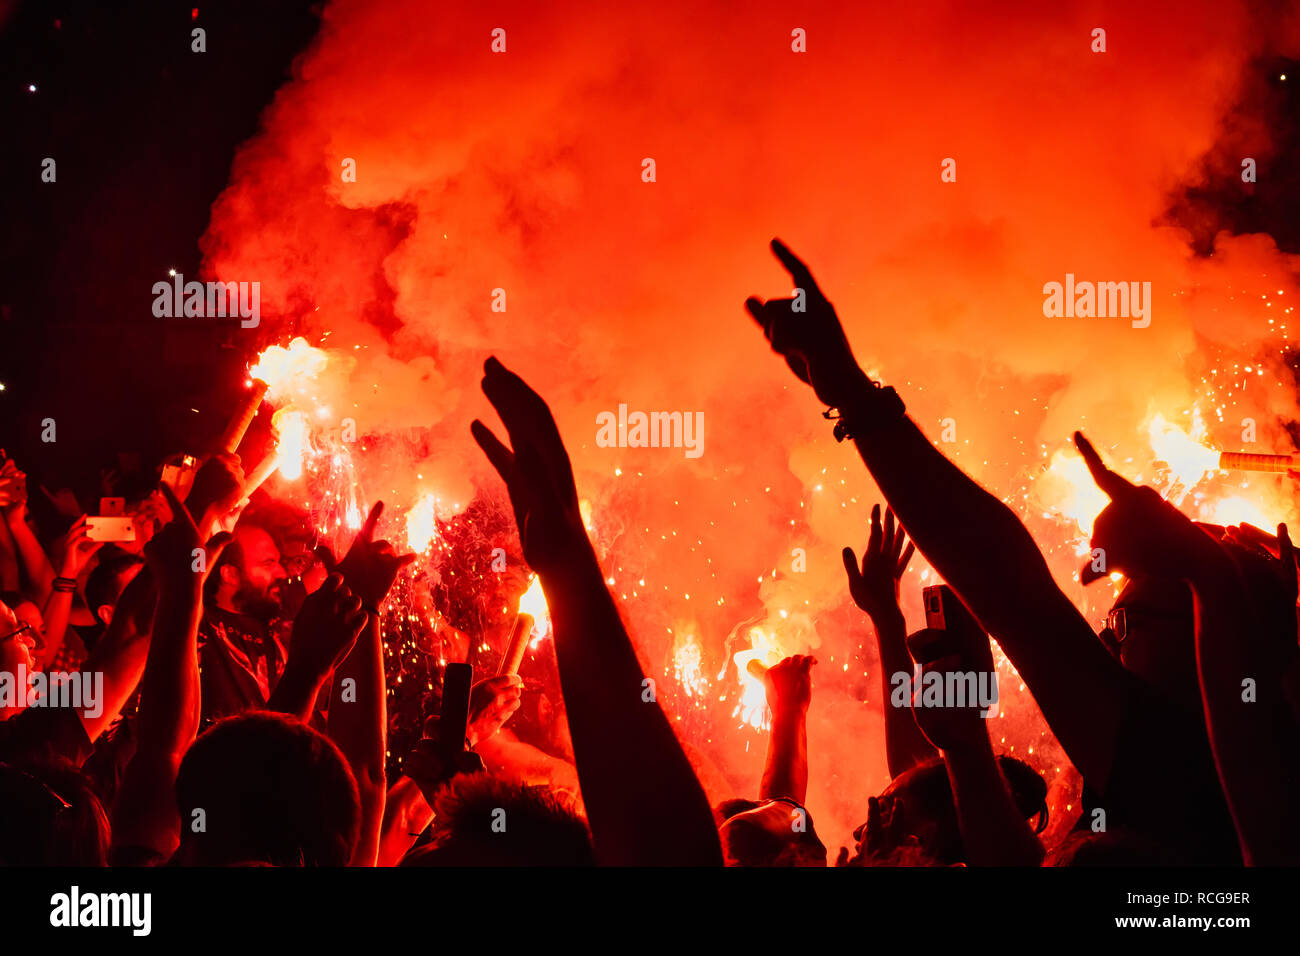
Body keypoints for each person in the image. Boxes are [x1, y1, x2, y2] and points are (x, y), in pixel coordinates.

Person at [198, 521, 290, 723]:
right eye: (268, 563)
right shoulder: (199, 628)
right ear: (230, 574)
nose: (282, 573)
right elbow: (188, 580)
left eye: (279, 562)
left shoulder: (282, 632)